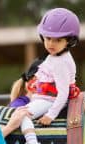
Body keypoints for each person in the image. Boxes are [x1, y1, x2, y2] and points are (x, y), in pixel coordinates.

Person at [18, 8, 81, 144]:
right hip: (44, 98)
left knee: (21, 115)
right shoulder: (56, 56)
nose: (51, 44)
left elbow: (63, 93)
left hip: (49, 101)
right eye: (48, 38)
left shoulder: (60, 62)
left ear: (69, 41)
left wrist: (51, 115)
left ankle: (31, 141)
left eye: (58, 40)